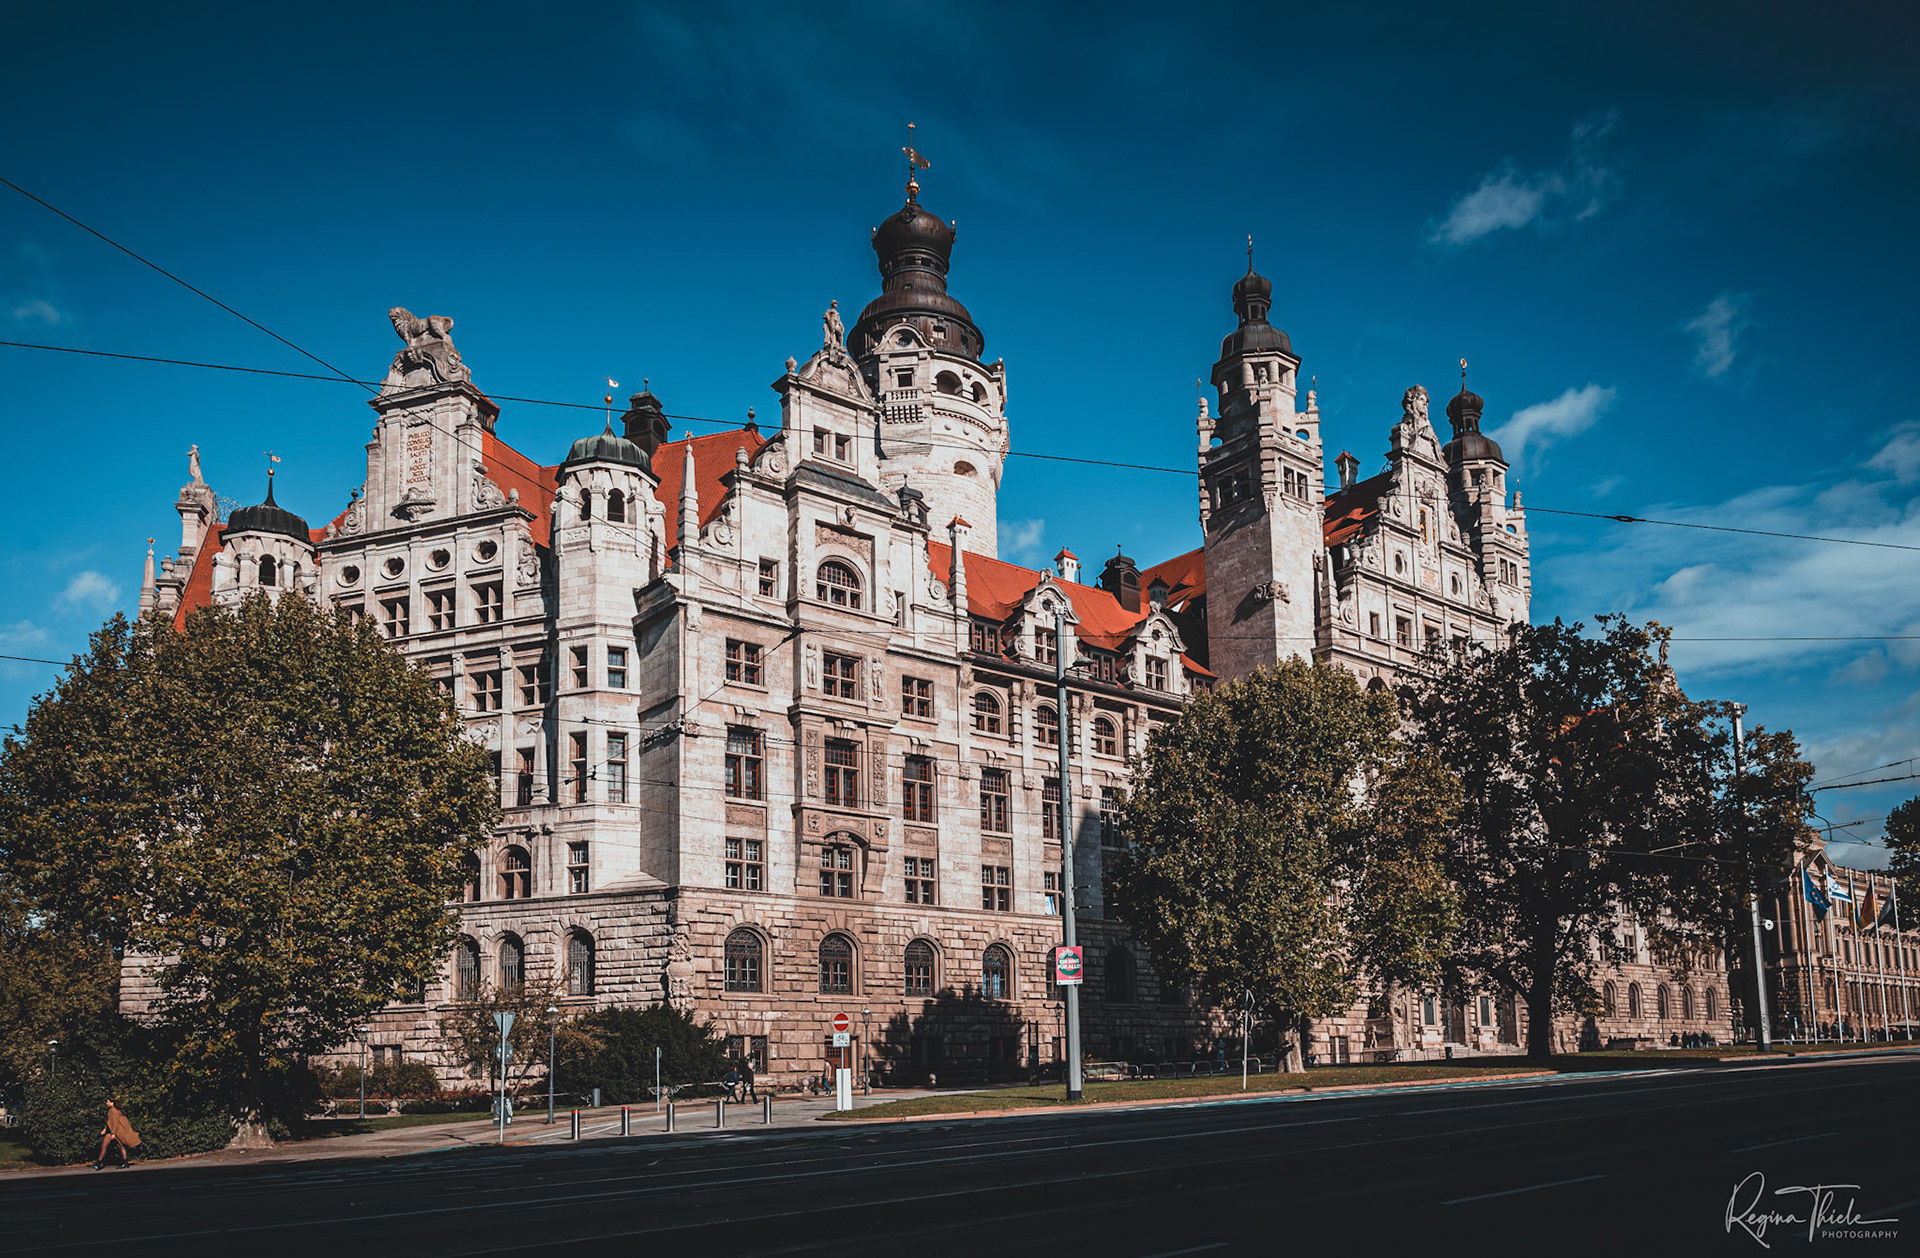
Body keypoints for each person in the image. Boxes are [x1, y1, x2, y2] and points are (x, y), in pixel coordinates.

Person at [94, 1099, 140, 1170]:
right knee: (120, 1146)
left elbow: (115, 1122)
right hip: (112, 1130)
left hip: (114, 1131)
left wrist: (113, 1133)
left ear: (111, 1102)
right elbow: (110, 1121)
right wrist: (105, 1129)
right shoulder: (115, 1109)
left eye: (107, 1102)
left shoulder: (113, 1110)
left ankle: (98, 1164)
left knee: (105, 1146)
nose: (106, 1103)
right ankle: (125, 1162)